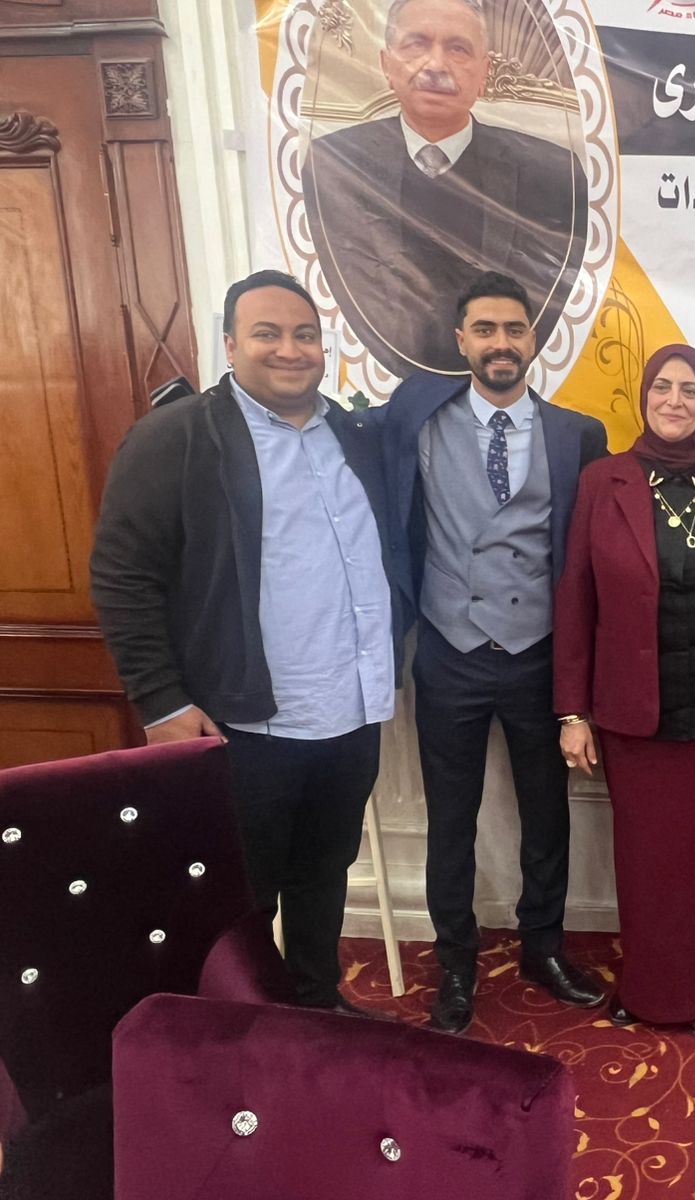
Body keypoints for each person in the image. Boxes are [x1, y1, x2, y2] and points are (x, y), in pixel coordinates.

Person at [90, 269, 402, 1012]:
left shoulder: (355, 438)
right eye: (267, 333)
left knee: (325, 871)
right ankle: (245, 1030)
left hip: (351, 710)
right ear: (230, 345)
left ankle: (317, 1006)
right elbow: (122, 576)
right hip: (244, 723)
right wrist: (162, 702)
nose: (290, 349)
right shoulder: (175, 438)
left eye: (305, 335)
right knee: (241, 895)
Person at [382, 270, 608, 1033]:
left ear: (534, 338)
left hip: (540, 653)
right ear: (461, 341)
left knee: (547, 815)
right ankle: (456, 964)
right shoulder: (416, 418)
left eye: (514, 329)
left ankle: (544, 948)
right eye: (485, 330)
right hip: (449, 650)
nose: (501, 343)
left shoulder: (577, 435)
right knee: (452, 819)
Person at [553, 345, 695, 1036]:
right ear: (644, 397)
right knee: (650, 864)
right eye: (662, 388)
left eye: (689, 390)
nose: (675, 401)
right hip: (635, 709)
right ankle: (653, 987)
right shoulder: (603, 480)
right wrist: (571, 710)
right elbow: (575, 596)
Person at [303, 0, 586, 377]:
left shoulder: (552, 174)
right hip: (380, 382)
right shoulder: (333, 165)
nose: (436, 65)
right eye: (417, 44)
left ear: (484, 72)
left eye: (458, 49)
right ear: (387, 64)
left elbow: (567, 292)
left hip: (507, 379)